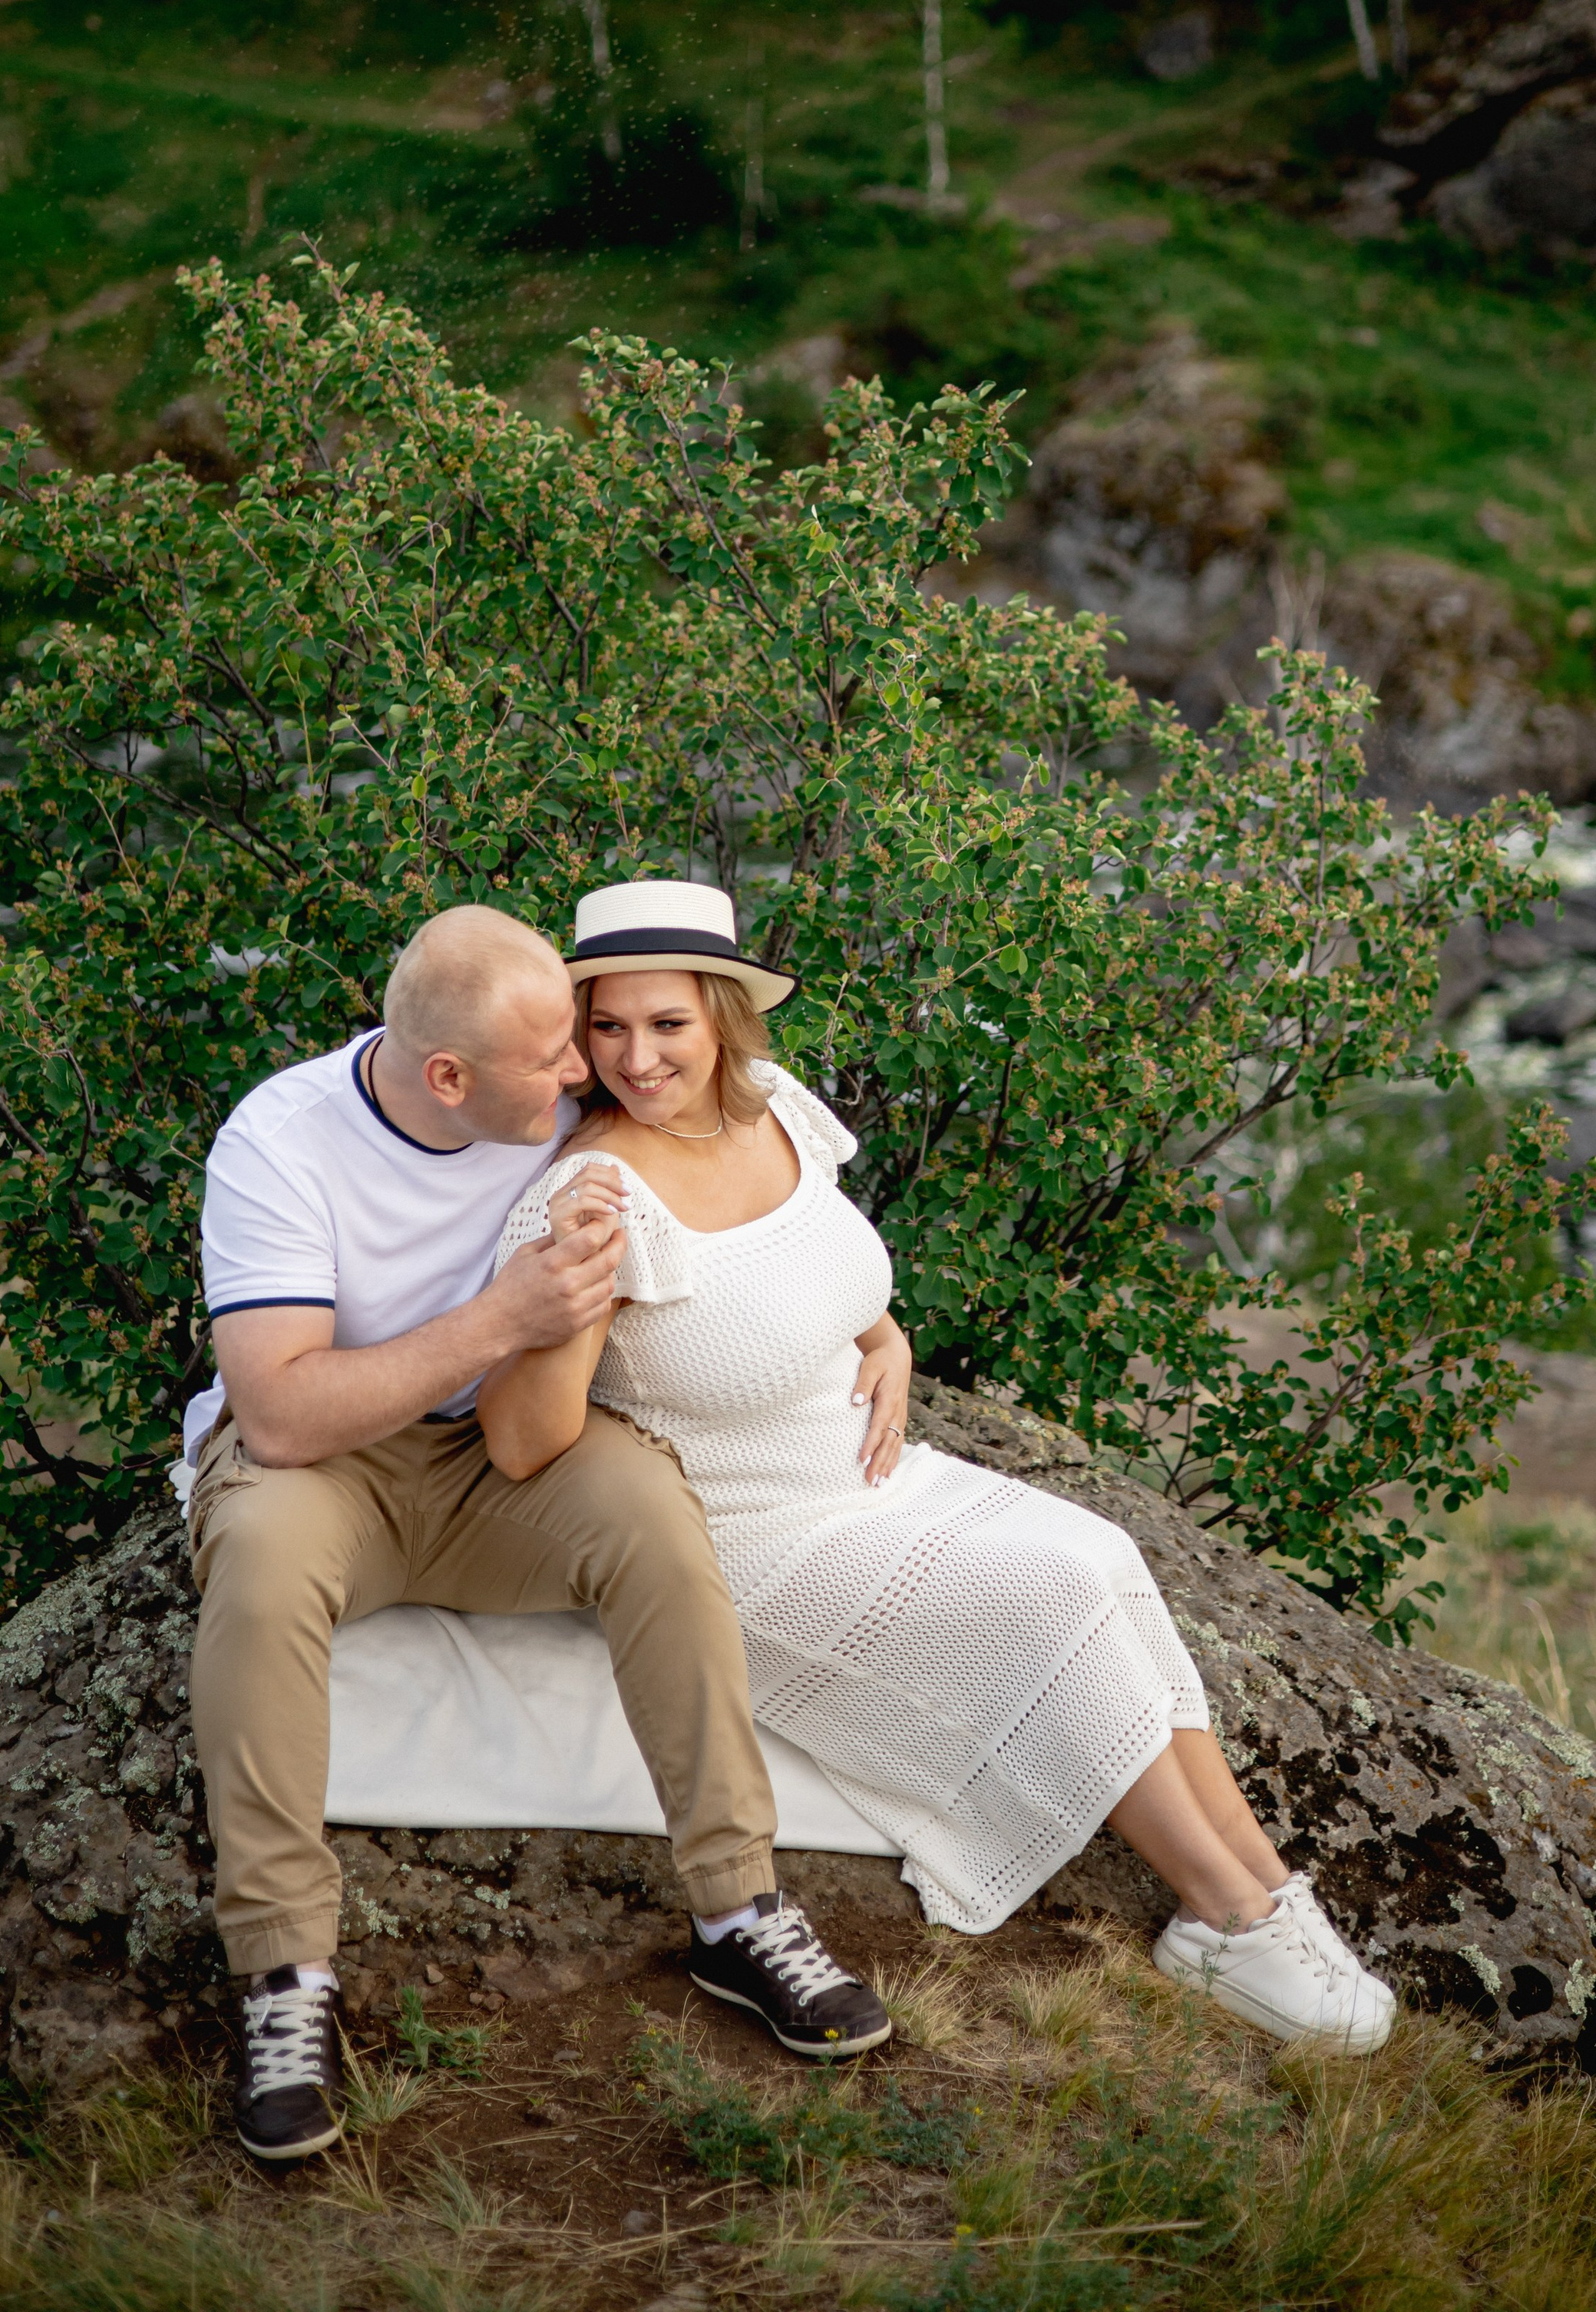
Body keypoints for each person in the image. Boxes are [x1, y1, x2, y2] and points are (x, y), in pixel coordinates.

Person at [478, 881, 1397, 2056]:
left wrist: (881, 1332)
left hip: (866, 1478)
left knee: (1104, 1554)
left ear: (722, 1018)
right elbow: (524, 1441)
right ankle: (1225, 1912)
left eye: (668, 1025)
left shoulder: (770, 1111)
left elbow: (815, 1263)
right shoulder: (593, 1191)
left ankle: (1264, 1899)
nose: (639, 1057)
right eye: (607, 1026)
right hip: (742, 1538)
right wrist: (571, 1277)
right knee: (1050, 1597)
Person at [186, 903, 889, 2171]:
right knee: (261, 1570)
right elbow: (281, 1414)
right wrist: (501, 1315)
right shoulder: (280, 1144)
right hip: (326, 1467)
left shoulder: (564, 1102)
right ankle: (283, 1977)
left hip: (498, 1459)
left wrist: (872, 1329)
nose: (590, 1071)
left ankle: (739, 1913)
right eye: (559, 1056)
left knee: (652, 1522)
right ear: (447, 1076)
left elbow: (762, 1213)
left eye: (586, 1042)